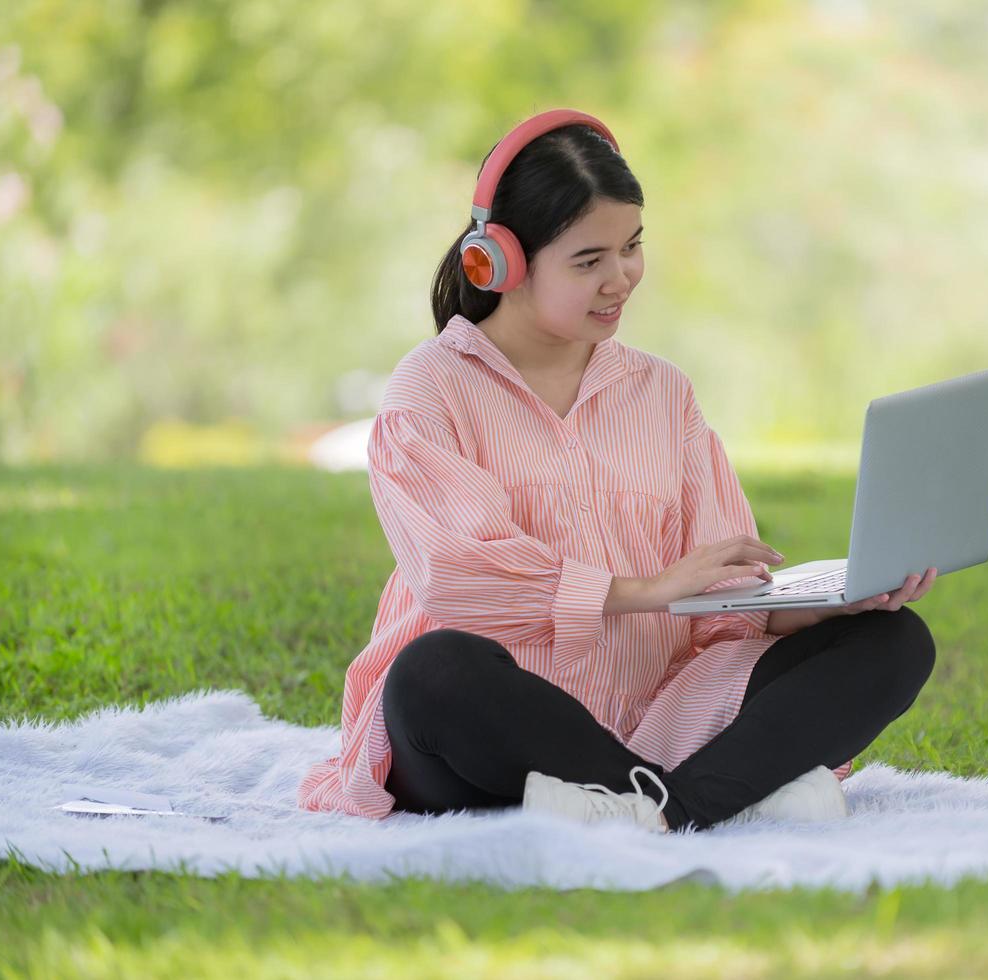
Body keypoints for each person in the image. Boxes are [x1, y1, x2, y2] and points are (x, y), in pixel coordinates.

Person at [296, 109, 938, 833]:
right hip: (492, 728)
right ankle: (712, 795)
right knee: (432, 673)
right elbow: (457, 575)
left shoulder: (663, 394)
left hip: (659, 714)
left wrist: (820, 607)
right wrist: (639, 591)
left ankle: (656, 806)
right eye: (588, 260)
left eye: (631, 247)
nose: (621, 278)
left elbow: (721, 595)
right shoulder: (432, 388)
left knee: (894, 642)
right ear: (500, 262)